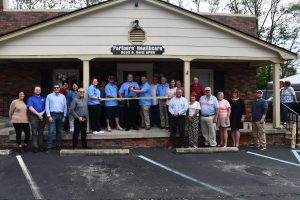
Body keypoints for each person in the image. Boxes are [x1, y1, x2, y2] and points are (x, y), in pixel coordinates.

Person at [45, 83, 67, 151]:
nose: (56, 89)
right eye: (55, 88)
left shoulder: (63, 96)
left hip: (61, 115)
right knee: (51, 131)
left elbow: (65, 106)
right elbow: (47, 106)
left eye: (57, 87)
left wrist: (64, 116)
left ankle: (58, 145)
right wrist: (49, 116)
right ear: (53, 89)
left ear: (59, 88)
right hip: (52, 115)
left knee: (59, 131)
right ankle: (49, 146)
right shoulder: (49, 96)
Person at [27, 86, 46, 153]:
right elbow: (30, 107)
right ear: (34, 91)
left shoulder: (44, 98)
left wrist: (42, 113)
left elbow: (46, 107)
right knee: (34, 132)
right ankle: (35, 147)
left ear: (40, 91)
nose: (38, 91)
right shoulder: (30, 98)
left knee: (41, 132)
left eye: (39, 90)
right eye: (36, 90)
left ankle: (41, 146)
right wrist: (38, 114)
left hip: (42, 117)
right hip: (34, 117)